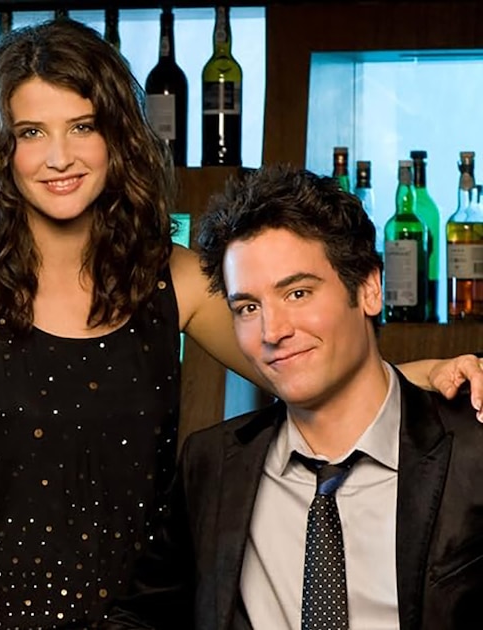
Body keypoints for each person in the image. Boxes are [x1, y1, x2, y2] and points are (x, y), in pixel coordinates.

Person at [0, 18, 483, 629]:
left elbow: (301, 361)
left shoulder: (172, 275)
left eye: (83, 126)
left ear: (117, 135)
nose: (59, 157)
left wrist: (430, 373)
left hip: (146, 618)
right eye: (31, 132)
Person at [103, 165, 483, 630]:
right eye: (248, 307)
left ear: (369, 288)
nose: (273, 331)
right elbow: (141, 617)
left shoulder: (471, 449)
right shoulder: (212, 464)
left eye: (298, 293)